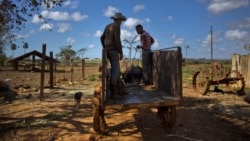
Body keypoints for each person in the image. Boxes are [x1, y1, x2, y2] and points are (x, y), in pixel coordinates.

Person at [100, 12, 126, 99]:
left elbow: (101, 38)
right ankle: (114, 94)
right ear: (118, 19)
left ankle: (119, 90)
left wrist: (105, 47)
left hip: (108, 50)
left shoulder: (108, 26)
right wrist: (121, 52)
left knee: (116, 70)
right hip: (114, 50)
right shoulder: (116, 26)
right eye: (121, 20)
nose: (121, 22)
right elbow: (117, 40)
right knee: (115, 71)